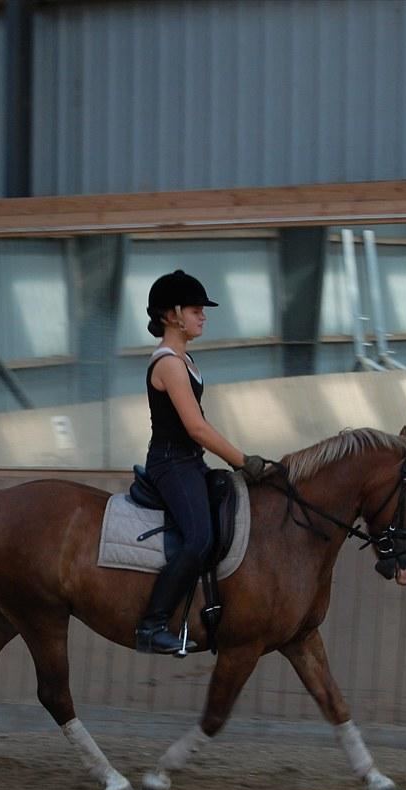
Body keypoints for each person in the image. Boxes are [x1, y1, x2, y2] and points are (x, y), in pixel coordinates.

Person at [135, 269, 273, 655]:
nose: (203, 316)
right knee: (199, 538)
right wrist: (245, 461)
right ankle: (151, 625)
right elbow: (196, 427)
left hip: (190, 462)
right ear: (172, 314)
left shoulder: (187, 359)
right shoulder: (168, 364)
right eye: (196, 309)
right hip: (170, 463)